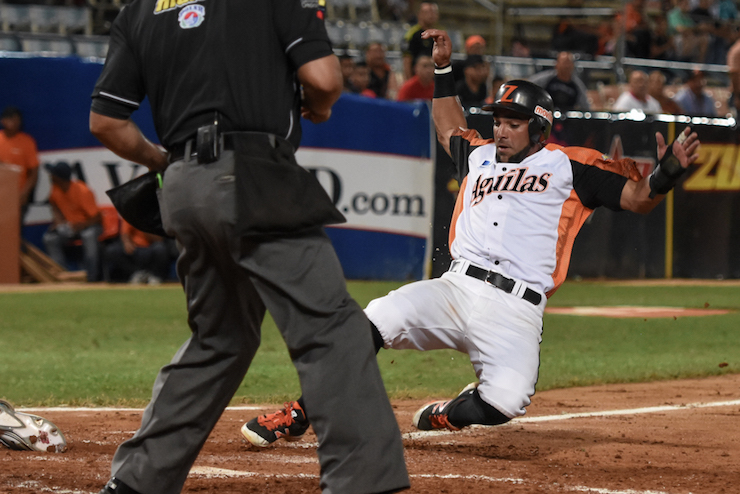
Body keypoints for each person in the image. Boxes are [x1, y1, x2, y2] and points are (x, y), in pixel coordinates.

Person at [241, 29, 700, 441]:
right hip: (455, 288)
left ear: (538, 129)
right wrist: (443, 68)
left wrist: (669, 172)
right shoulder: (478, 155)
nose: (500, 129)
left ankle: (448, 413)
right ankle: (300, 412)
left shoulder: (570, 166)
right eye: (498, 119)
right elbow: (446, 123)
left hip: (515, 307)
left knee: (505, 402)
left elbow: (640, 198)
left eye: (512, 122)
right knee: (372, 320)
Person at [88, 1, 409, 493]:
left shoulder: (139, 11)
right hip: (254, 175)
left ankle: (137, 481)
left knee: (219, 339)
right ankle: (365, 483)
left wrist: (166, 164)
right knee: (331, 329)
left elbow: (107, 123)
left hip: (181, 186)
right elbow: (323, 79)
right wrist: (319, 108)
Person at [42, 162, 102, 282]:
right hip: (69, 227)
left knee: (88, 236)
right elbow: (55, 206)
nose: (50, 176)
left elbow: (97, 218)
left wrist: (81, 225)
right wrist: (58, 223)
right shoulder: (55, 190)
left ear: (59, 177)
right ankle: (63, 276)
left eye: (53, 174)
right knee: (50, 238)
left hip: (88, 225)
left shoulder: (82, 190)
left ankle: (91, 279)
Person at [0, 106, 39, 221]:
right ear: (3, 121)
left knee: (14, 233)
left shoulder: (27, 142)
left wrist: (24, 193)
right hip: (1, 194)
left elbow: (34, 172)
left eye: (17, 119)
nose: (14, 123)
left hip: (18, 195)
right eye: (10, 119)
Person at [103, 220, 171, 284]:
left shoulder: (153, 217)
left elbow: (159, 239)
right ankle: (138, 274)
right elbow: (124, 233)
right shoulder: (131, 215)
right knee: (112, 250)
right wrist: (127, 242)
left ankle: (155, 277)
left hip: (150, 249)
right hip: (134, 249)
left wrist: (143, 227)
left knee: (160, 248)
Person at [402, 2, 439, 80]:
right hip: (417, 78)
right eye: (427, 12)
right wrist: (409, 81)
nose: (431, 15)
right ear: (419, 14)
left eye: (433, 12)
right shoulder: (412, 34)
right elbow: (407, 60)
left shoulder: (438, 35)